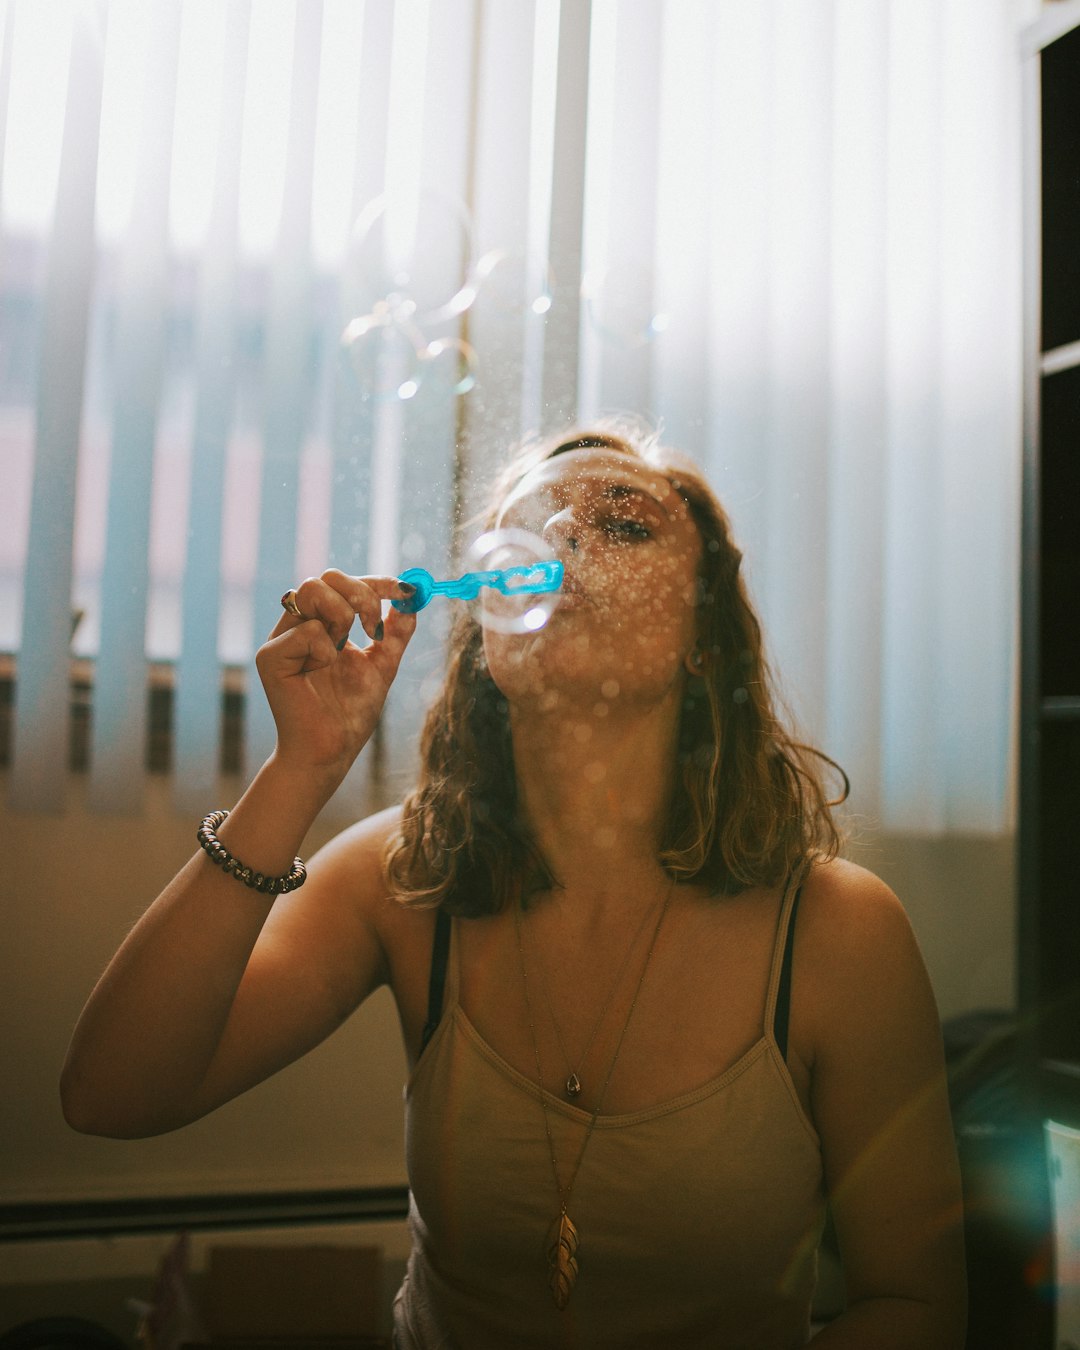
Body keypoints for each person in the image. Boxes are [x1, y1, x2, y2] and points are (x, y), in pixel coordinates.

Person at [61, 424, 967, 1349]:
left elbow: (917, 1307)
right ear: (486, 639)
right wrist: (304, 768)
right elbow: (112, 1097)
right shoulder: (404, 879)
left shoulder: (839, 930)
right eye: (533, 527)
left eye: (624, 526)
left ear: (705, 640)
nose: (565, 538)